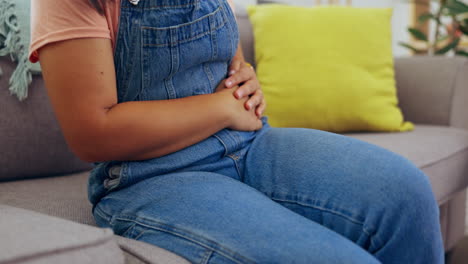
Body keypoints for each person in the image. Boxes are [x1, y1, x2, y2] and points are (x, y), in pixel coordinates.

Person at [29, 0, 444, 263]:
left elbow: (228, 61)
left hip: (249, 145)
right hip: (154, 179)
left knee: (406, 194)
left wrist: (246, 80)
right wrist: (220, 108)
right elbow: (92, 133)